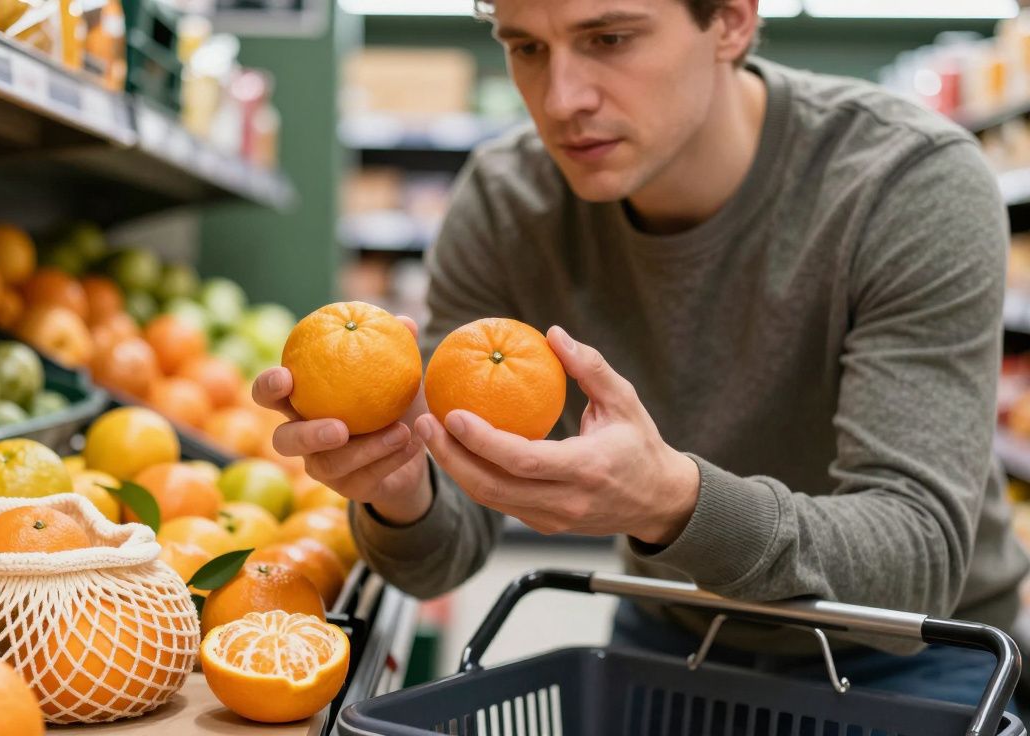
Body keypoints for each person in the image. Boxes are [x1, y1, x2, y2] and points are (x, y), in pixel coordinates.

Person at [253, 0, 1030, 703]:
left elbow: (916, 560)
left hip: (920, 658)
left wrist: (674, 502)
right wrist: (399, 488)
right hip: (677, 629)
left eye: (610, 38)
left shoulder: (908, 183)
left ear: (731, 20)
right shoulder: (505, 202)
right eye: (525, 47)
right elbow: (437, 560)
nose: (562, 100)